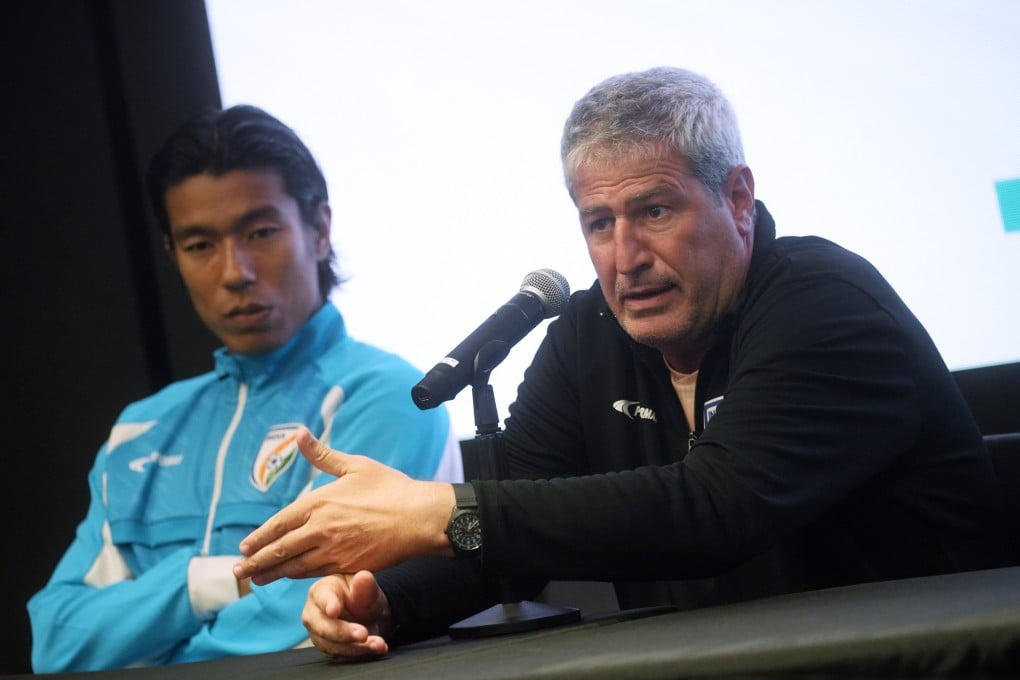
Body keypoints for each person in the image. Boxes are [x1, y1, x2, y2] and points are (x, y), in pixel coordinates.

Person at [231, 67, 1014, 658]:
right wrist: (381, 601)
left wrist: (444, 511)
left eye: (655, 211)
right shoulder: (586, 335)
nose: (625, 256)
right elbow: (510, 527)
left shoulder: (827, 303)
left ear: (738, 199)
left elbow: (717, 507)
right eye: (598, 222)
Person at [26, 104, 462, 672]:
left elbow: (303, 625)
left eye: (260, 232)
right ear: (172, 255)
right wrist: (203, 582)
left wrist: (146, 640)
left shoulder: (391, 394)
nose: (235, 271)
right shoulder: (141, 427)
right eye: (200, 244)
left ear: (320, 230)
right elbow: (58, 642)